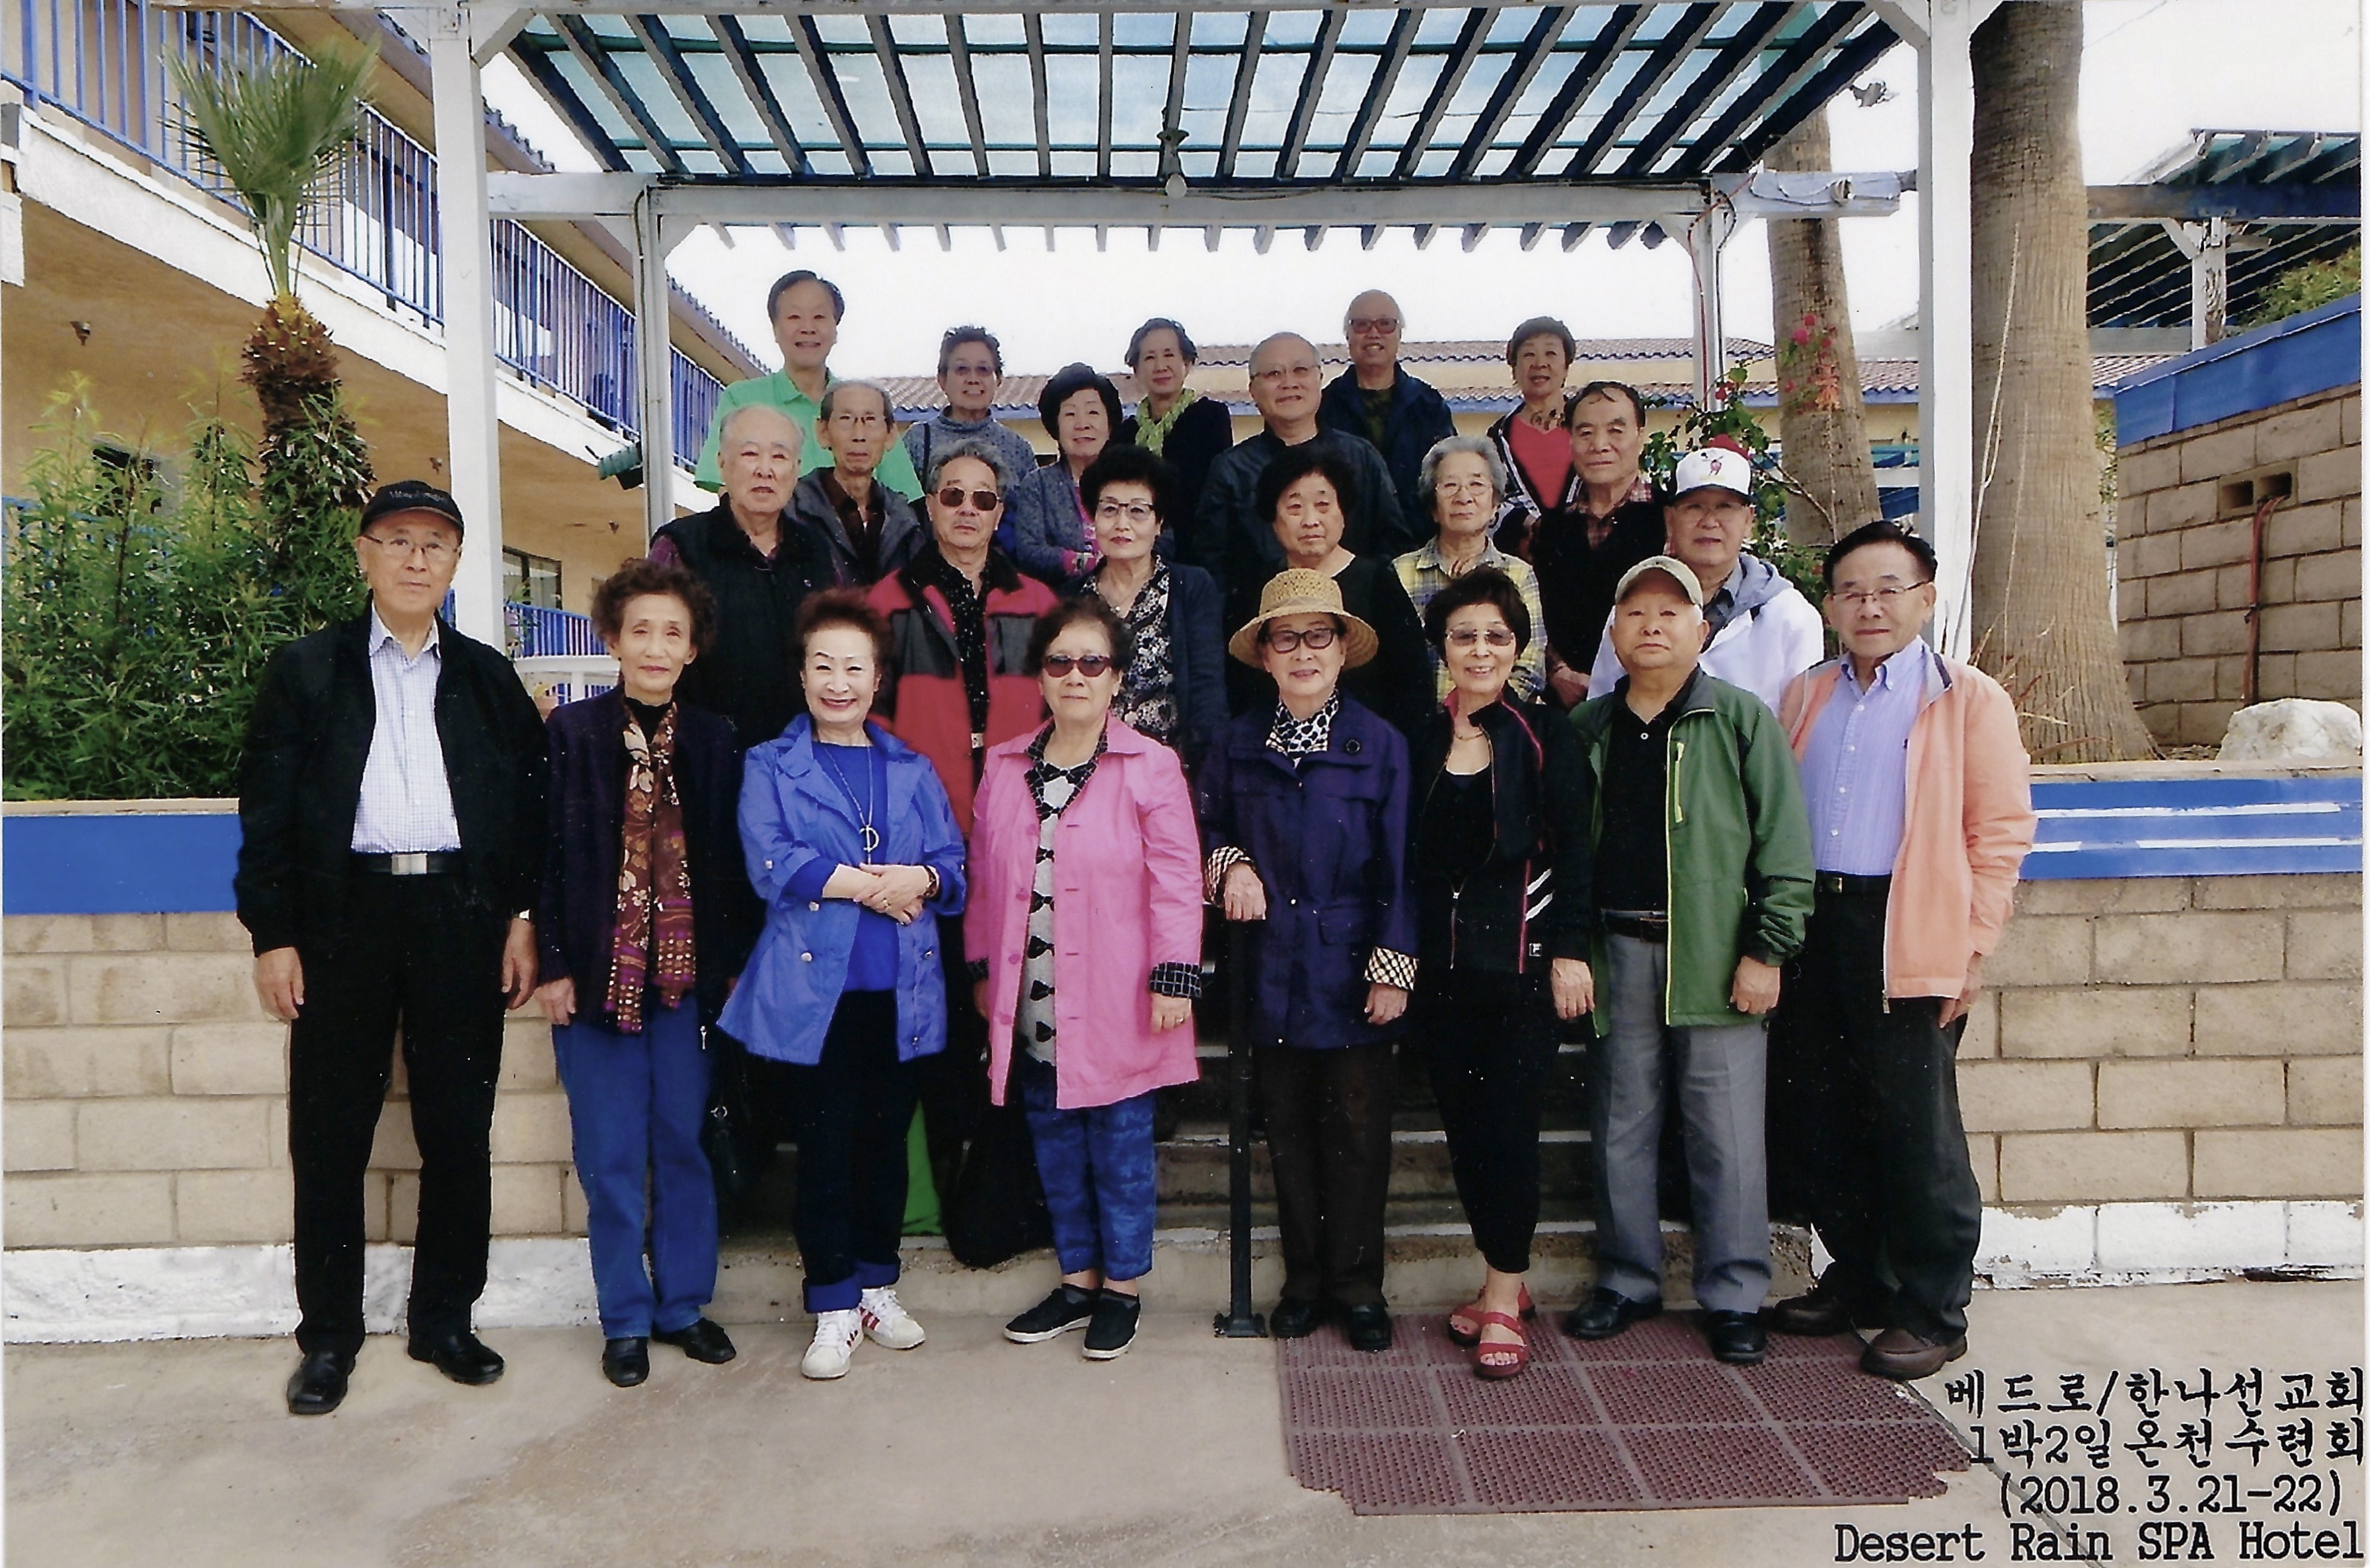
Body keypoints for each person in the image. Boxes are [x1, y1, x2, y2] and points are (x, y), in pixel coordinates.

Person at [235, 479, 547, 1416]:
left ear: (456, 564)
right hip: (345, 917)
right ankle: (329, 1338)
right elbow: (267, 814)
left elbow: (528, 810)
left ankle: (444, 1320)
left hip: (459, 912)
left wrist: (521, 917)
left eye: (435, 544)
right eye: (399, 540)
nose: (417, 559)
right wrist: (274, 936)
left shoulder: (487, 678)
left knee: (458, 1125)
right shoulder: (307, 671)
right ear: (364, 552)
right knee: (330, 1133)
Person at [1769, 521, 2038, 1381]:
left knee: (1916, 1130)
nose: (1869, 606)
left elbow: (1999, 835)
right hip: (1814, 924)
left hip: (1906, 928)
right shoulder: (1805, 694)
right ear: (1828, 606)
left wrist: (1971, 949)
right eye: (1851, 590)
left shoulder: (1966, 699)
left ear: (1924, 600)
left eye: (1888, 589)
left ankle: (1932, 1309)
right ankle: (1861, 1279)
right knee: (1824, 1117)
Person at [1566, 556, 1814, 1367]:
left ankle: (1735, 1293)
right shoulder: (1589, 728)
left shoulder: (1739, 719)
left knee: (1727, 1135)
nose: (1651, 626)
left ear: (1701, 631)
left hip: (1713, 952)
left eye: (1670, 613)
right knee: (1621, 1125)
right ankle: (1626, 1279)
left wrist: (1767, 951)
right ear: (1613, 633)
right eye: (1635, 613)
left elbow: (1784, 846)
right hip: (1617, 951)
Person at [720, 590, 969, 1380]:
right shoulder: (770, 764)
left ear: (877, 679)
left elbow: (953, 868)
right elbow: (772, 861)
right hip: (814, 998)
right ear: (801, 675)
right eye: (823, 666)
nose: (838, 682)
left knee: (885, 1147)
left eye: (854, 668)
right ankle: (832, 1304)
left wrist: (921, 877)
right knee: (825, 1149)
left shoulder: (911, 768)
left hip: (901, 992)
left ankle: (876, 1288)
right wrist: (874, 887)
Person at [533, 559, 754, 1388]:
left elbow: (731, 866)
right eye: (641, 631)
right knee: (611, 1154)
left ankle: (684, 1307)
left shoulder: (715, 738)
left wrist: (727, 973)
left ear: (692, 649)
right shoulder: (571, 734)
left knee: (683, 1144)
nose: (656, 647)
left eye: (673, 633)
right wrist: (554, 964)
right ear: (612, 640)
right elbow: (546, 858)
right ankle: (624, 1317)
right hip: (596, 981)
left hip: (686, 984)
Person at [969, 599, 1205, 1360]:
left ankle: (1121, 1292)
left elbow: (1177, 881)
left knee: (1121, 1153)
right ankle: (1076, 1284)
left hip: (1120, 998)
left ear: (1118, 678)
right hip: (1031, 1001)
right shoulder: (1004, 766)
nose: (1076, 676)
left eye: (1093, 662)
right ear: (1040, 675)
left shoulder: (1151, 766)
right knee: (1055, 1147)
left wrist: (1175, 976)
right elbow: (983, 879)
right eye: (1060, 661)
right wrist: (982, 971)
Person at [1198, 570, 1416, 1353]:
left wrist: (1393, 965)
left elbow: (1401, 864)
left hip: (1353, 966)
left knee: (1357, 1134)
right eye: (1284, 638)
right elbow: (1205, 827)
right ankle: (1303, 1283)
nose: (1302, 652)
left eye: (1317, 636)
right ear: (1263, 654)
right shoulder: (1235, 743)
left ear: (1341, 648)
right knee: (1286, 1131)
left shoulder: (1380, 744)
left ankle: (1357, 1288)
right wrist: (1231, 865)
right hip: (1271, 969)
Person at [1407, 569, 1594, 1379]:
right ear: (1442, 648)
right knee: (1464, 1133)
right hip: (1444, 975)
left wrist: (1571, 952)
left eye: (1495, 636)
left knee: (1509, 1133)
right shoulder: (1421, 737)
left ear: (1517, 647)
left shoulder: (1547, 734)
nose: (1479, 650)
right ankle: (1502, 1284)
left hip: (1522, 969)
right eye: (1463, 636)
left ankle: (1503, 1294)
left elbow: (1578, 851)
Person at [867, 441, 1063, 833]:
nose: (968, 509)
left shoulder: (1039, 604)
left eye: (983, 499)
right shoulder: (888, 601)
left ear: (999, 514)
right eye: (953, 496)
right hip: (918, 808)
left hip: (1020, 807)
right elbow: (872, 716)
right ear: (930, 505)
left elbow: (1058, 710)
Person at [649, 404, 835, 749]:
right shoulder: (682, 546)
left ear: (796, 470)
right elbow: (648, 653)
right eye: (750, 454)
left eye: (779, 457)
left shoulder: (817, 552)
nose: (765, 470)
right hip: (705, 755)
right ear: (722, 463)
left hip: (802, 756)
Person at [1586, 444, 1823, 714]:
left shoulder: (1790, 615)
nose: (1710, 522)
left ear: (1749, 520)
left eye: (1725, 507)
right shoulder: (1634, 605)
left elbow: (1802, 729)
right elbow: (1599, 710)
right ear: (1670, 519)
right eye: (1695, 507)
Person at [1191, 332, 1414, 603]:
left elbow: (1393, 544)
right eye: (1274, 374)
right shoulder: (1231, 469)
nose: (1289, 383)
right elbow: (1212, 563)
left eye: (1300, 370)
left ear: (1320, 379)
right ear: (1253, 391)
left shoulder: (1361, 457)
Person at [1238, 444, 1431, 737]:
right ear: (1274, 520)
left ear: (1343, 513)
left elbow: (1413, 683)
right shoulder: (1261, 584)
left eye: (1323, 505)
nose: (1310, 520)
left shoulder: (1377, 582)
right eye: (1294, 508)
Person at [693, 268, 925, 500]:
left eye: (819, 317)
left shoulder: (864, 406)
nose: (808, 328)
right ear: (775, 329)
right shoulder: (742, 399)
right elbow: (725, 486)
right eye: (794, 317)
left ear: (835, 329)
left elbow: (906, 497)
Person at [1073, 444, 1229, 766]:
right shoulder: (1073, 600)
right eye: (1110, 509)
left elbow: (1207, 692)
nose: (1122, 523)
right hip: (1092, 772)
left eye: (1138, 511)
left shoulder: (1190, 587)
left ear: (1159, 524)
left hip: (1172, 770)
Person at [1527, 381, 1665, 707]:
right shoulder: (1551, 528)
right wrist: (1558, 671)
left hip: (1651, 701)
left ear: (1640, 436)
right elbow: (1532, 612)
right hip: (1567, 709)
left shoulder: (1669, 517)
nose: (1600, 445)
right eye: (1586, 433)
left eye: (1616, 431)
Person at [1393, 436, 1548, 704]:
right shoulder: (1401, 573)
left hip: (1497, 720)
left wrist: (1478, 716)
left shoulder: (1519, 575)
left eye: (1476, 485)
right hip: (1419, 723)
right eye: (1450, 485)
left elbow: (1530, 668)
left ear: (1495, 504)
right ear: (1433, 507)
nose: (1464, 497)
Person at [1317, 290, 1457, 530]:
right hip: (1344, 543)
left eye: (1385, 324)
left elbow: (1448, 475)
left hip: (1417, 540)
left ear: (1399, 334)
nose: (1374, 333)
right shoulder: (1324, 406)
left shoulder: (1428, 404)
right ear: (1348, 335)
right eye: (1362, 325)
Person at [790, 379, 926, 587]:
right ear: (823, 432)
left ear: (890, 434)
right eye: (846, 419)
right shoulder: (794, 509)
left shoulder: (904, 519)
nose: (859, 435)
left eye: (870, 420)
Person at [1010, 363, 1125, 585]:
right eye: (1070, 414)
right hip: (1063, 598)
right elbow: (1030, 551)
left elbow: (1164, 540)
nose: (1082, 424)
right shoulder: (1038, 485)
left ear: (1110, 424)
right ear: (1056, 427)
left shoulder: (1133, 479)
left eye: (1093, 412)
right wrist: (1084, 563)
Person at [1116, 317, 1235, 522]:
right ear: (1136, 370)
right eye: (1150, 358)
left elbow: (1217, 493)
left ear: (1187, 364)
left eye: (1169, 355)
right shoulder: (1126, 433)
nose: (1160, 366)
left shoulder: (1210, 417)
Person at [903, 325, 1040, 488]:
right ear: (942, 380)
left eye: (983, 369)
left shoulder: (1018, 449)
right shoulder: (917, 441)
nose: (973, 379)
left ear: (998, 379)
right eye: (962, 369)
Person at [1486, 317, 1578, 529]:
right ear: (1514, 368)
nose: (1540, 363)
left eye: (1551, 353)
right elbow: (1491, 503)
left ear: (1566, 365)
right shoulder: (1497, 439)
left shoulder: (1589, 427)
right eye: (1529, 354)